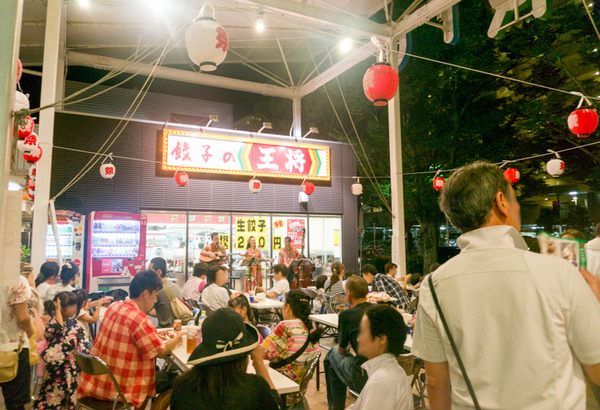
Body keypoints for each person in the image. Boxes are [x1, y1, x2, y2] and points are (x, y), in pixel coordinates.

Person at [412, 161, 600, 409]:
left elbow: (436, 382)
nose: (517, 207)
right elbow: (596, 369)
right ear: (501, 202)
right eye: (514, 199)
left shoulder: (434, 286)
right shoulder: (559, 272)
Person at [78, 270, 183, 409]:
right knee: (178, 380)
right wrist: (179, 337)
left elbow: (130, 337)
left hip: (97, 381)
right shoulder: (139, 318)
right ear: (146, 294)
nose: (156, 301)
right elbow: (162, 352)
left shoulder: (114, 307)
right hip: (121, 387)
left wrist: (155, 335)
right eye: (155, 295)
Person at [171, 308, 280, 410]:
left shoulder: (182, 386)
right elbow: (277, 406)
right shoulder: (255, 387)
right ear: (244, 352)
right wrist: (259, 363)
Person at [261, 290, 323, 406]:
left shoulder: (286, 327)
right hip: (297, 397)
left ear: (288, 307)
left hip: (278, 395)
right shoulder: (310, 329)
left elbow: (260, 355)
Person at [348, 304, 412, 410]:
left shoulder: (380, 382)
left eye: (363, 332)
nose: (358, 339)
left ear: (382, 339)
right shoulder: (391, 371)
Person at [34, 291, 89, 410]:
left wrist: (85, 354)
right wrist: (57, 310)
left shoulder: (75, 323)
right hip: (57, 365)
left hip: (72, 364)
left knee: (70, 392)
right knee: (53, 393)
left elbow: (82, 340)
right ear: (62, 307)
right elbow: (58, 329)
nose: (75, 308)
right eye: (72, 305)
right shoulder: (52, 323)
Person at [324, 276, 371, 410]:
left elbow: (342, 349)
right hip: (382, 372)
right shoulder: (379, 310)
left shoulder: (346, 315)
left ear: (348, 293)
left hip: (362, 376)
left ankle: (335, 407)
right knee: (334, 360)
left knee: (332, 354)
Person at [0, 273, 34, 410]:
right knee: (15, 403)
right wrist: (30, 330)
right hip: (13, 349)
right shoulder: (16, 280)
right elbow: (23, 318)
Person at [148, 257, 183, 329]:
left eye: (150, 271)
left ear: (159, 272)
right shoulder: (175, 287)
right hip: (178, 327)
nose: (148, 274)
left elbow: (146, 309)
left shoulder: (158, 290)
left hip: (165, 329)